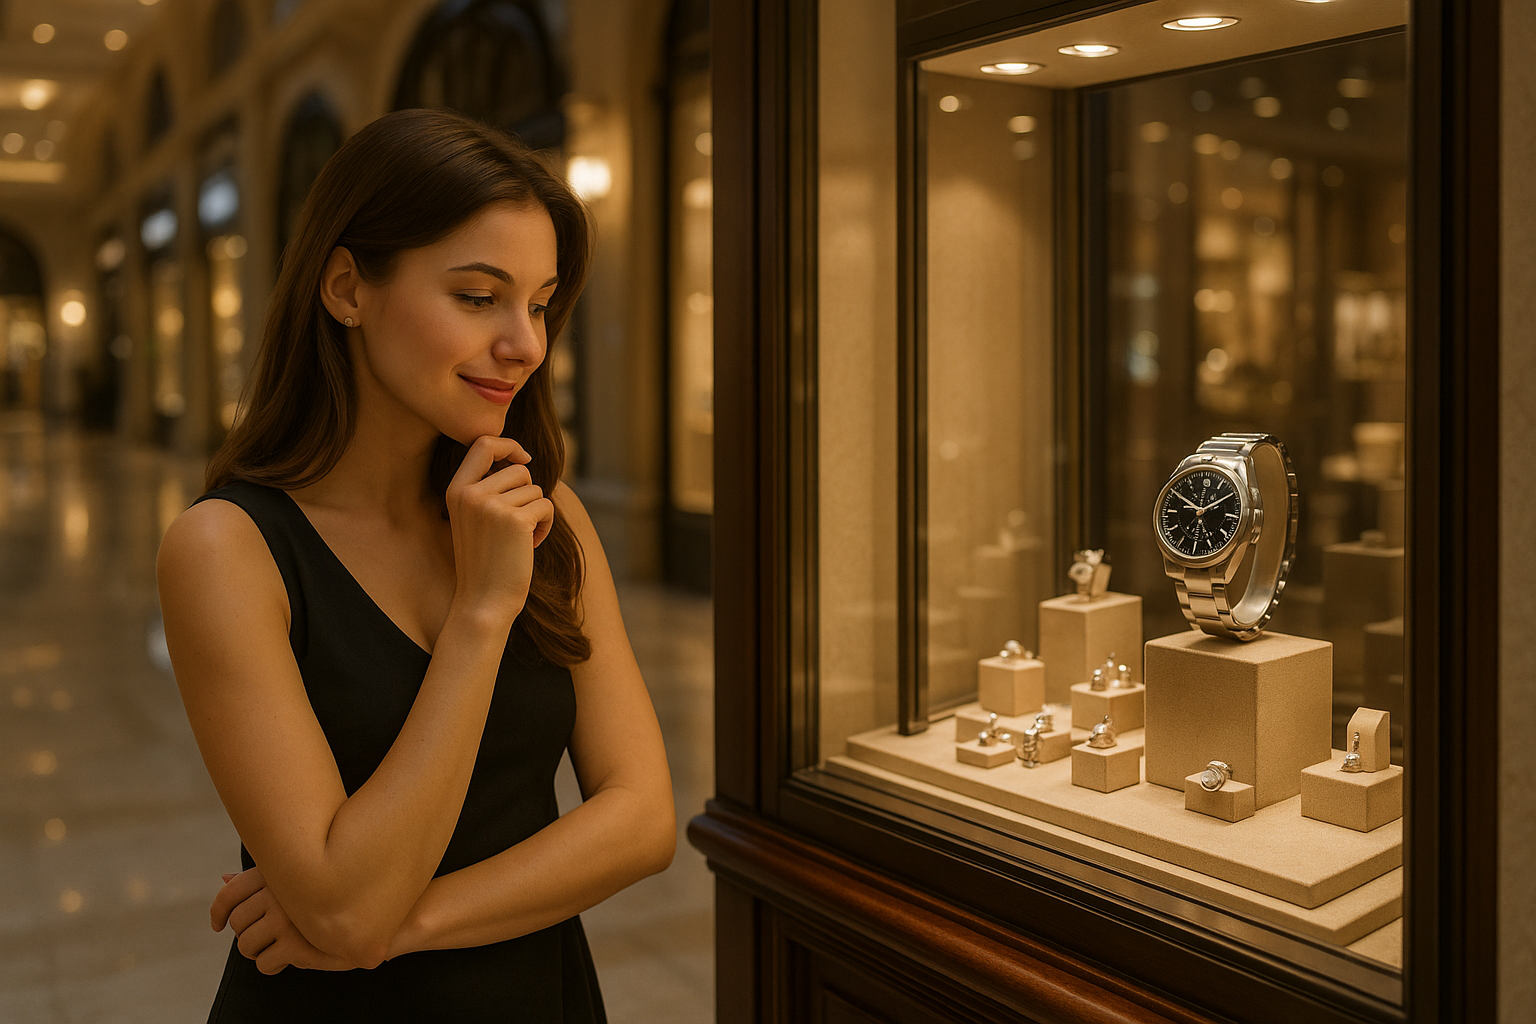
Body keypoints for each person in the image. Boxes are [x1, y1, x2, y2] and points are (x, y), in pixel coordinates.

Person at [155, 108, 675, 1022]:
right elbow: (341, 901)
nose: (525, 343)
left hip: (536, 995)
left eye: (540, 302)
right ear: (348, 287)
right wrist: (479, 614)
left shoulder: (548, 512)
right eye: (478, 297)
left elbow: (641, 820)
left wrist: (402, 922)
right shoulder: (229, 549)